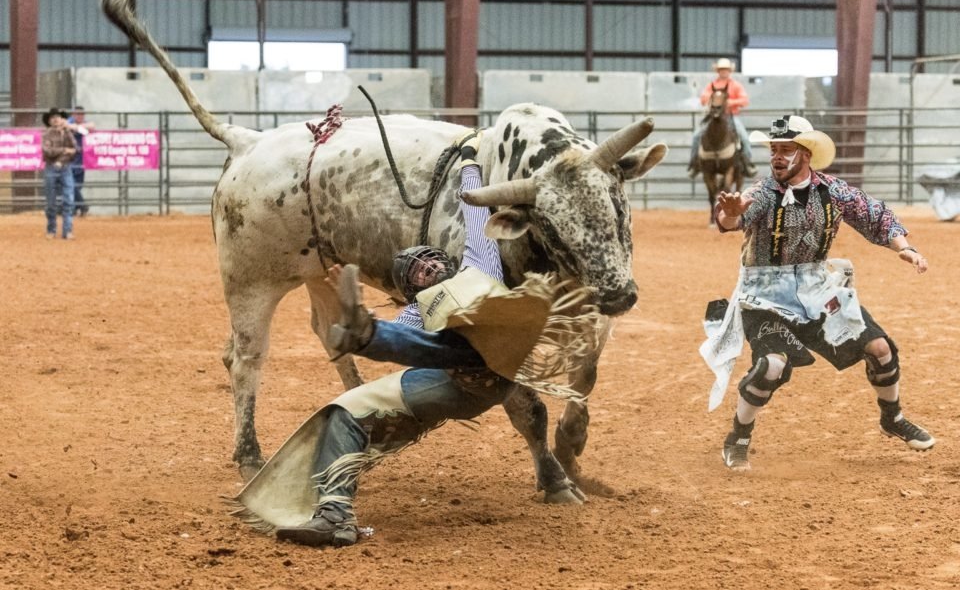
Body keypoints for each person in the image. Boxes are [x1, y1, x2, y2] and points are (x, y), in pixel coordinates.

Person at [227, 132, 601, 547]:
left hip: (495, 350)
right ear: (406, 291)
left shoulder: (479, 259)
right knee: (345, 411)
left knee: (458, 333)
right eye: (414, 272)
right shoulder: (416, 310)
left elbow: (473, 208)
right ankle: (335, 513)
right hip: (455, 376)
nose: (424, 267)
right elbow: (407, 344)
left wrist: (469, 162)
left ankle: (368, 333)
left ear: (448, 258)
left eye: (429, 259)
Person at [706, 115, 935, 472]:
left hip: (817, 290)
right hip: (765, 297)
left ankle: (893, 417)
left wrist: (903, 247)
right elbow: (734, 217)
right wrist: (729, 215)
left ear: (806, 153)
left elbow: (876, 215)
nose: (777, 157)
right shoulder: (764, 192)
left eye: (786, 150)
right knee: (772, 364)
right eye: (774, 150)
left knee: (880, 348)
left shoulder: (835, 192)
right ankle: (738, 437)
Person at [688, 57, 756, 179]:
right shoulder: (711, 85)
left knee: (744, 138)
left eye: (726, 69)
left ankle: (748, 164)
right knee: (696, 136)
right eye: (721, 69)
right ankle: (694, 164)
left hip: (731, 116)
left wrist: (730, 102)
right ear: (718, 71)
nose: (724, 71)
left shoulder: (735, 85)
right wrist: (714, 100)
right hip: (712, 116)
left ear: (730, 71)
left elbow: (745, 100)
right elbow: (703, 99)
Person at [41, 108, 77, 240]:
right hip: (52, 168)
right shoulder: (46, 135)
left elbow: (75, 150)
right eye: (53, 117)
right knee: (51, 202)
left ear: (62, 119)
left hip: (64, 167)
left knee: (68, 200)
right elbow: (47, 152)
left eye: (58, 117)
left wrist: (61, 161)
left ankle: (67, 230)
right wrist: (65, 150)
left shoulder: (67, 133)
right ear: (49, 121)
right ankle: (52, 229)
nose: (56, 119)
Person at [67, 106, 94, 217]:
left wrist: (78, 128)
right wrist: (82, 129)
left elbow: (92, 126)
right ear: (73, 115)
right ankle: (81, 206)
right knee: (71, 185)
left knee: (77, 186)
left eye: (82, 114)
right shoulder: (69, 122)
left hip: (81, 161)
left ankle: (75, 207)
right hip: (69, 160)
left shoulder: (83, 123)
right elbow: (68, 126)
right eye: (77, 114)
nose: (80, 116)